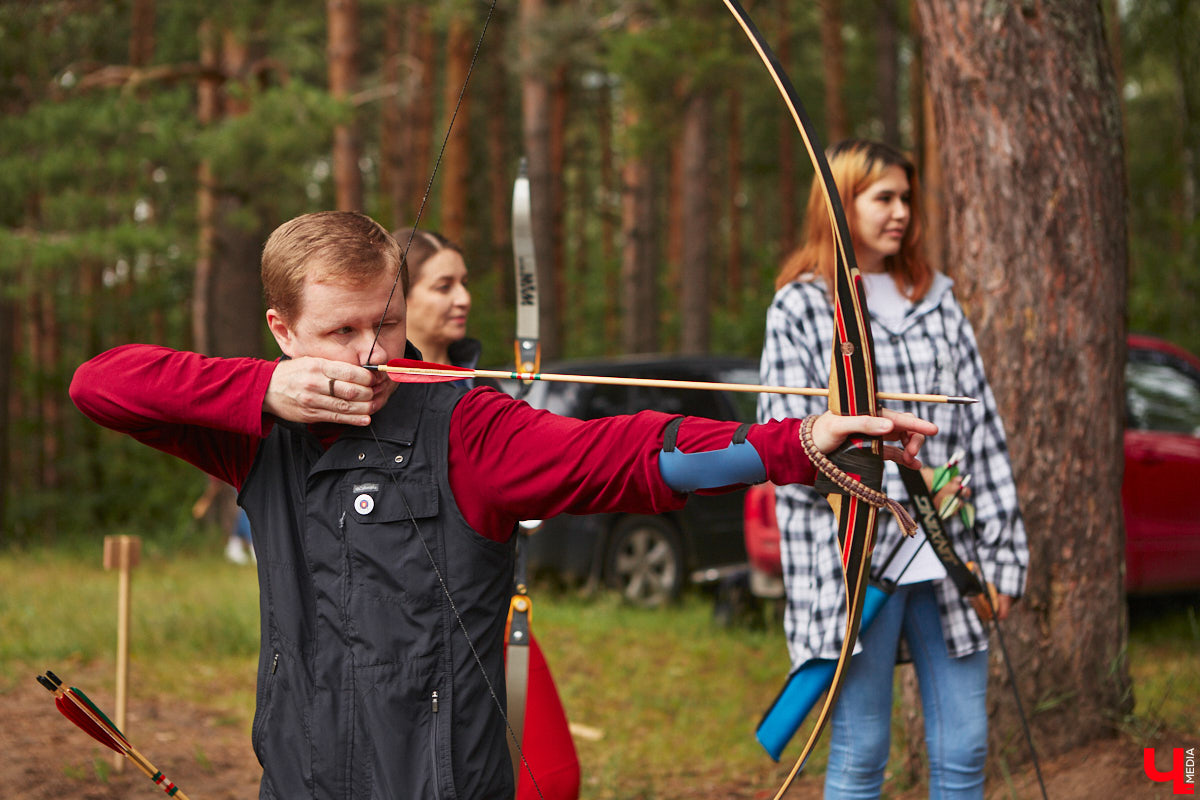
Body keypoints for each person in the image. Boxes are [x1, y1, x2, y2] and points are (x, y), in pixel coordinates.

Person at [70, 210, 937, 800]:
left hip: (441, 778)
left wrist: (797, 442)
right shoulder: (259, 431)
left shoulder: (466, 428)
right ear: (281, 331)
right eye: (339, 333)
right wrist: (268, 392)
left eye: (387, 320)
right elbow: (101, 385)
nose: (373, 355)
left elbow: (625, 454)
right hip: (301, 776)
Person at [758, 139, 1028, 799]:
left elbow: (981, 429)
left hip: (947, 554)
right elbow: (788, 443)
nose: (900, 211)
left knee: (965, 749)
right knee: (860, 752)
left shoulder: (936, 298)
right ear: (842, 204)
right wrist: (883, 466)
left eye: (906, 197)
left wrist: (1004, 555)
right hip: (855, 563)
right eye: (883, 197)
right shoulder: (803, 306)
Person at [396, 225, 579, 800]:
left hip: (493, 616)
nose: (463, 298)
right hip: (407, 631)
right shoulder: (376, 393)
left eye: (465, 283)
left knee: (550, 779)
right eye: (443, 285)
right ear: (400, 298)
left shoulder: (484, 390)